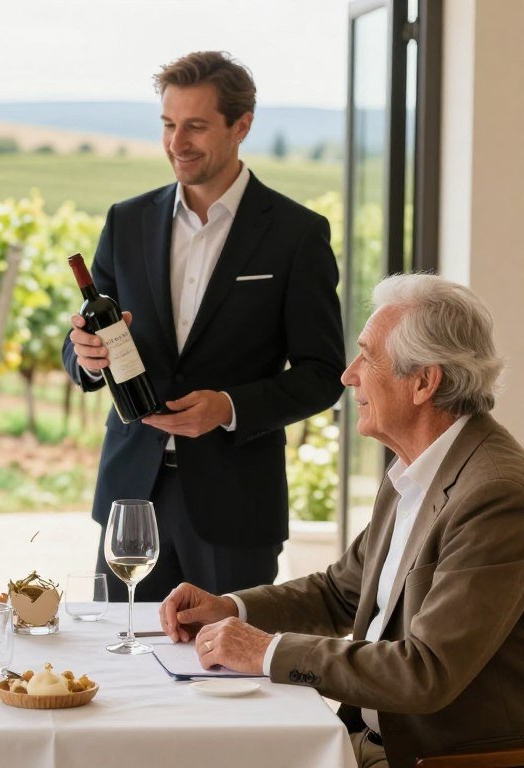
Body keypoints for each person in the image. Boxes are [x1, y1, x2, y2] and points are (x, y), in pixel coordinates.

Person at [159, 274, 524, 768]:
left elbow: (427, 671)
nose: (349, 375)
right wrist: (231, 609)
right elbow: (340, 592)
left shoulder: (495, 494)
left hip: (431, 759)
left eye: (367, 356)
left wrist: (268, 651)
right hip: (368, 740)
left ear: (424, 382)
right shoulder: (419, 466)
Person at [62, 50, 345, 600]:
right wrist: (84, 356)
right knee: (123, 663)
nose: (177, 142)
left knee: (228, 671)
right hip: (130, 494)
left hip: (236, 503)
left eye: (195, 126)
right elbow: (82, 348)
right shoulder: (127, 221)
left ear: (242, 126)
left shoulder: (296, 234)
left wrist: (229, 408)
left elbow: (324, 373)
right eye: (168, 124)